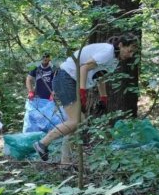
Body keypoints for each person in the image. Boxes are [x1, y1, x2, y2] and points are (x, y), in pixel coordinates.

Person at [33, 33, 139, 161]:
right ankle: (42, 144)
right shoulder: (108, 51)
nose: (131, 55)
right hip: (66, 77)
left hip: (70, 80)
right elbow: (84, 68)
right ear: (121, 45)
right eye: (129, 50)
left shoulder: (114, 60)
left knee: (77, 122)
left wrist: (103, 98)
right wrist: (82, 91)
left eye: (133, 52)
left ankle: (66, 162)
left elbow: (100, 76)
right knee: (76, 120)